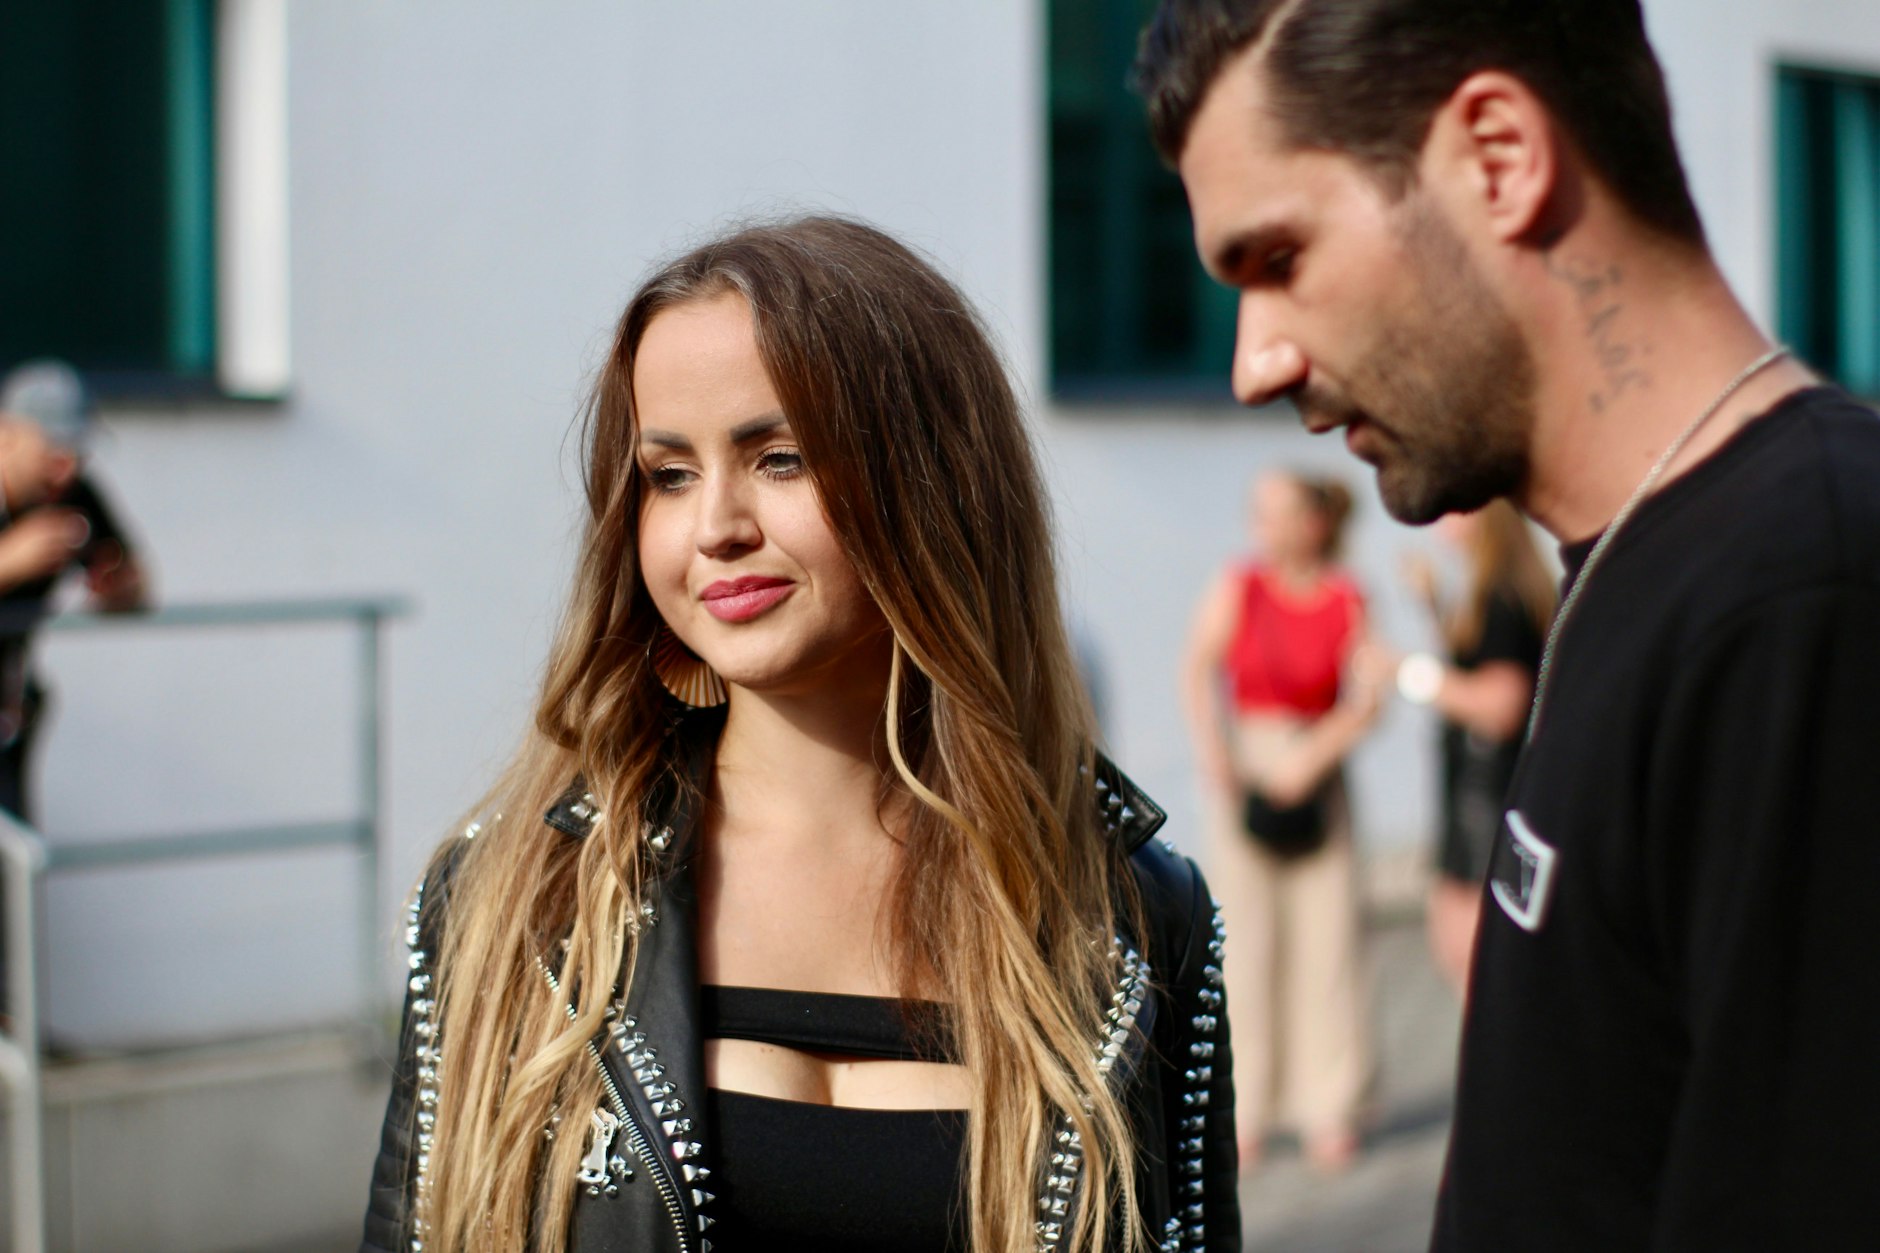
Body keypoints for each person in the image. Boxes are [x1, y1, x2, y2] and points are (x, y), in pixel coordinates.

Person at [1136, 1, 1880, 1248]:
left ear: (1498, 157)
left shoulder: (1804, 596)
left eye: (1277, 261)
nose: (1253, 364)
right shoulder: (1647, 567)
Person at [360, 217, 1240, 1253]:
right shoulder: (515, 896)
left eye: (777, 458)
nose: (715, 524)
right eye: (669, 473)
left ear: (931, 481)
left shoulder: (1131, 912)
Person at [1181, 469, 1376, 1173]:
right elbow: (1196, 667)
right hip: (1249, 762)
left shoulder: (1348, 597)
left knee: (1329, 939)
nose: (1263, 526)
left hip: (1318, 767)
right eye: (1258, 512)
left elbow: (1367, 697)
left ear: (1314, 522)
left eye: (1279, 513)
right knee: (1244, 943)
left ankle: (1329, 1102)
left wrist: (1314, 757)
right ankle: (1245, 1106)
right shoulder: (1241, 585)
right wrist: (1216, 753)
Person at [1389, 502, 1553, 993]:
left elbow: (1499, 704)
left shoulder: (1501, 596)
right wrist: (1432, 604)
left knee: (1473, 963)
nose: (1437, 517)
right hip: (1489, 795)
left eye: (1453, 510)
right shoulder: (1502, 588)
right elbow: (1478, 665)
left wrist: (1403, 673)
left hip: (1483, 803)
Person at [0, 360, 149, 820]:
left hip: (12, 710)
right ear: (8, 434)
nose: (65, 469)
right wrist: (11, 560)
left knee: (18, 868)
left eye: (77, 454)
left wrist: (117, 587)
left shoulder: (76, 495)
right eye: (52, 451)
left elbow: (136, 587)